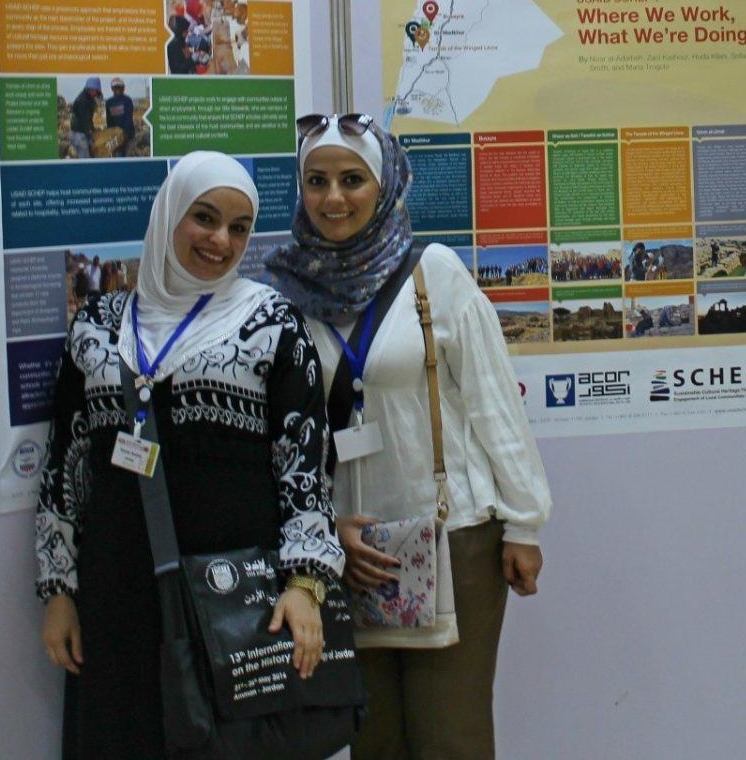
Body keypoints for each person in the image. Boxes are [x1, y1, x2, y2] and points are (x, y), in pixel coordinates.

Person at [36, 152, 345, 759]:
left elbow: (306, 466)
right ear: (170, 214)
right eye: (204, 218)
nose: (220, 241)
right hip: (117, 599)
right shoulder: (98, 327)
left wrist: (306, 585)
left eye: (238, 227)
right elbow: (65, 466)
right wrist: (59, 591)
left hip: (231, 608)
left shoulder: (271, 324)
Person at [267, 115, 552, 760]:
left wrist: (525, 525)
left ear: (384, 184)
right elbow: (287, 438)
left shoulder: (435, 273)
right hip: (350, 551)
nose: (333, 198)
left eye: (352, 179)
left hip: (453, 539)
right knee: (375, 740)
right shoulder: (287, 293)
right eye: (317, 181)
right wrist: (323, 534)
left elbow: (493, 405)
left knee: (450, 737)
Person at [69, 77, 101, 158]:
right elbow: (84, 120)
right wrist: (91, 132)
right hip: (79, 134)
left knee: (92, 153)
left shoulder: (90, 99)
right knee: (85, 158)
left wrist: (93, 130)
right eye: (93, 90)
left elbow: (89, 119)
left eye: (96, 91)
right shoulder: (82, 101)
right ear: (88, 89)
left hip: (84, 132)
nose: (95, 93)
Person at [104, 77, 136, 156]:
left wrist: (125, 134)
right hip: (115, 138)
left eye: (119, 87)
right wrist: (110, 135)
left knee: (127, 158)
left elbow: (128, 118)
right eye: (115, 87)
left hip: (128, 136)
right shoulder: (109, 102)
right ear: (112, 89)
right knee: (117, 158)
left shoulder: (127, 100)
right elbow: (109, 120)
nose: (117, 89)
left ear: (123, 88)